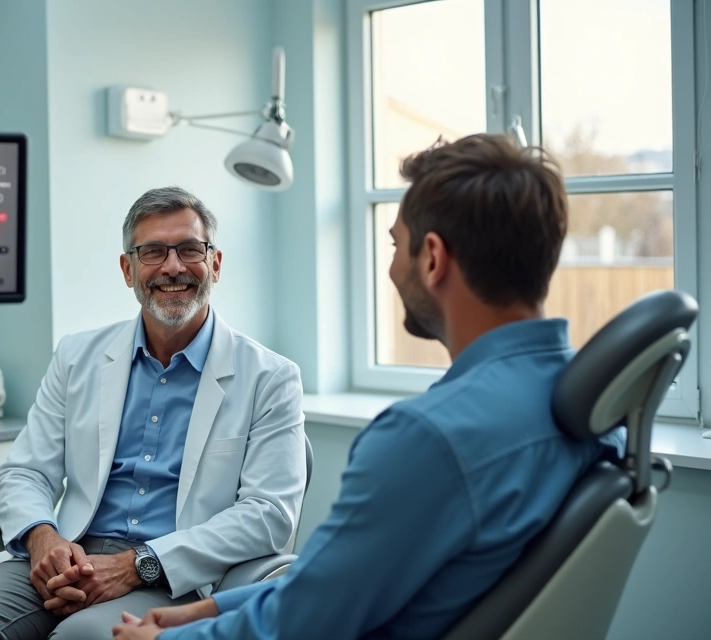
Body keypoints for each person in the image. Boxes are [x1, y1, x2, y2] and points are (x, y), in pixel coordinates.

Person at [112, 134, 625, 640]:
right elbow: (327, 587)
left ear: (432, 258)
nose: (394, 267)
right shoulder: (591, 407)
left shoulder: (426, 439)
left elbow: (307, 623)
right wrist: (208, 611)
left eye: (397, 244)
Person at [0, 186, 308, 640]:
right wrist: (43, 539)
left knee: (85, 637)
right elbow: (25, 472)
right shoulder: (77, 356)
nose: (172, 267)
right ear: (128, 270)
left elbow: (268, 514)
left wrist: (139, 565)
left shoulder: (270, 376)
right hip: (74, 553)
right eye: (152, 252)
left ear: (215, 263)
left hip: (178, 574)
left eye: (190, 249)